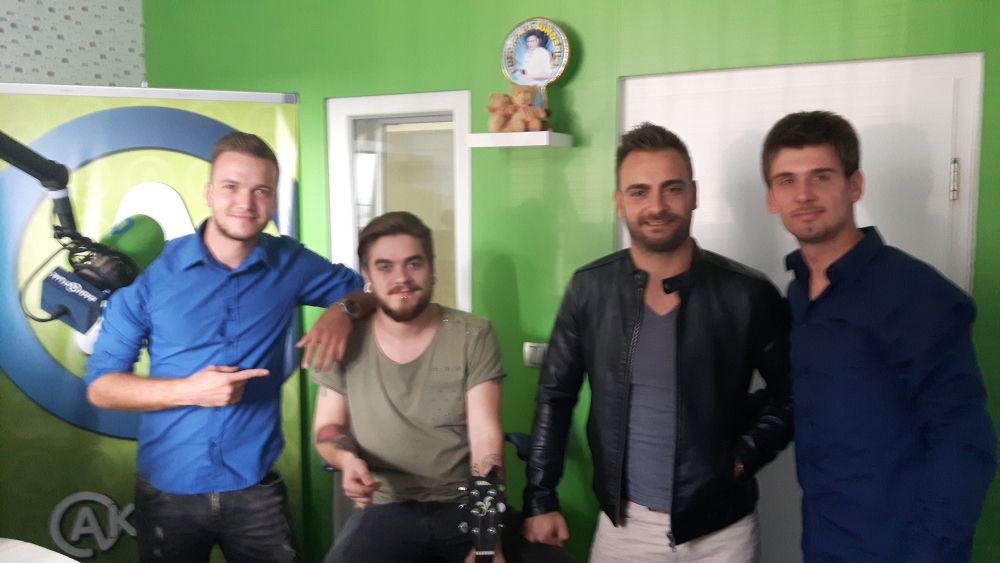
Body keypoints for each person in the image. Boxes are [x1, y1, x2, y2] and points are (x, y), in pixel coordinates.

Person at [85, 131, 368, 563]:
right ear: (210, 193)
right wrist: (190, 390)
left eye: (261, 190)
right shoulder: (150, 274)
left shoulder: (291, 262)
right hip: (167, 491)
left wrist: (343, 309)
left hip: (255, 487)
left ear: (273, 200)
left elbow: (366, 291)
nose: (246, 203)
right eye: (232, 187)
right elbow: (101, 388)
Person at [522, 122, 793, 562]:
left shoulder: (747, 293)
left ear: (694, 194)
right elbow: (555, 397)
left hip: (721, 530)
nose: (657, 206)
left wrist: (745, 454)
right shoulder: (589, 290)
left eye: (672, 189)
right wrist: (540, 497)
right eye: (639, 191)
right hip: (624, 529)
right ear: (619, 202)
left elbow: (794, 392)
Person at [761, 110, 996, 562]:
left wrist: (928, 552)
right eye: (787, 180)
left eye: (821, 176)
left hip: (904, 549)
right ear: (772, 197)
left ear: (855, 185)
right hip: (825, 540)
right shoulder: (798, 293)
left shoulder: (917, 294)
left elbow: (965, 442)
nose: (803, 194)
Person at [312, 211, 516, 562]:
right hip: (385, 504)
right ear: (367, 275)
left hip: (462, 502)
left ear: (432, 267)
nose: (402, 279)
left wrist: (486, 541)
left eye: (414, 264)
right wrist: (345, 460)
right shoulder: (343, 338)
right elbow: (328, 428)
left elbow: (486, 438)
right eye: (385, 267)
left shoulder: (473, 334)